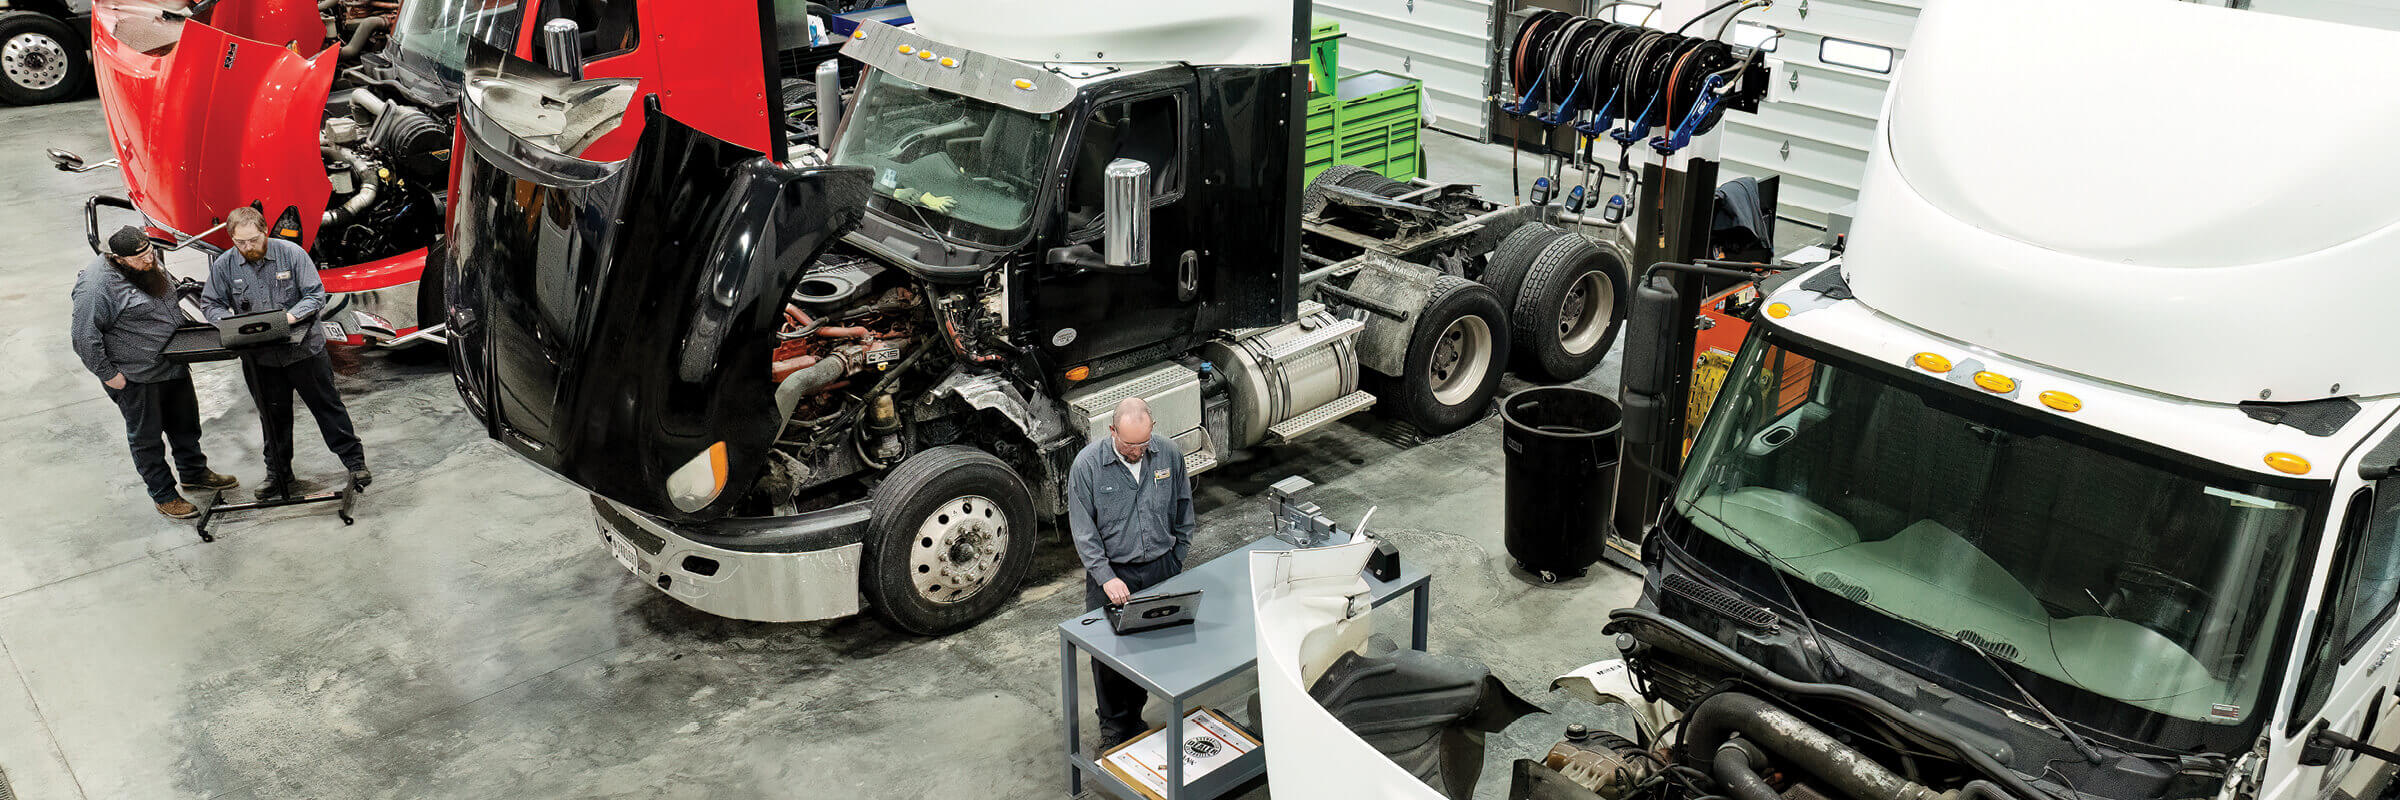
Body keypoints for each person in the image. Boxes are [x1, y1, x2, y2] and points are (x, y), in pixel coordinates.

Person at [199, 207, 370, 498]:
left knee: (327, 409)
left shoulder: (292, 254)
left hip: (304, 352)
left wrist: (289, 318)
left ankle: (355, 464)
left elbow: (315, 295)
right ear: (231, 238)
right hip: (260, 359)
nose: (248, 247)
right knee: (272, 418)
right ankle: (279, 474)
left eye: (253, 240)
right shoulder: (225, 265)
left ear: (264, 230)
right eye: (240, 242)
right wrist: (229, 325)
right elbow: (210, 303)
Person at [70, 226, 240, 518]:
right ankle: (163, 495)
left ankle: (193, 472)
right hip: (136, 375)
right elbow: (84, 337)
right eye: (141, 258)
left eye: (150, 252)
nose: (150, 260)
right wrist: (110, 375)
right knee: (147, 438)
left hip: (171, 361)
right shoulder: (96, 288)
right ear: (118, 259)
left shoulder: (145, 260)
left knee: (184, 423)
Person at [1066, 397, 1196, 748]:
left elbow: (1184, 507)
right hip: (1112, 575)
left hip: (1160, 569)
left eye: (1143, 443)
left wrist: (1176, 558)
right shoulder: (1088, 466)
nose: (1138, 451)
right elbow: (1083, 531)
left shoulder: (1167, 453)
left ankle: (1135, 718)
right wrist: (1106, 577)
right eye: (1128, 444)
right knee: (1109, 656)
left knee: (1149, 646)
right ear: (1111, 432)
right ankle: (1113, 730)